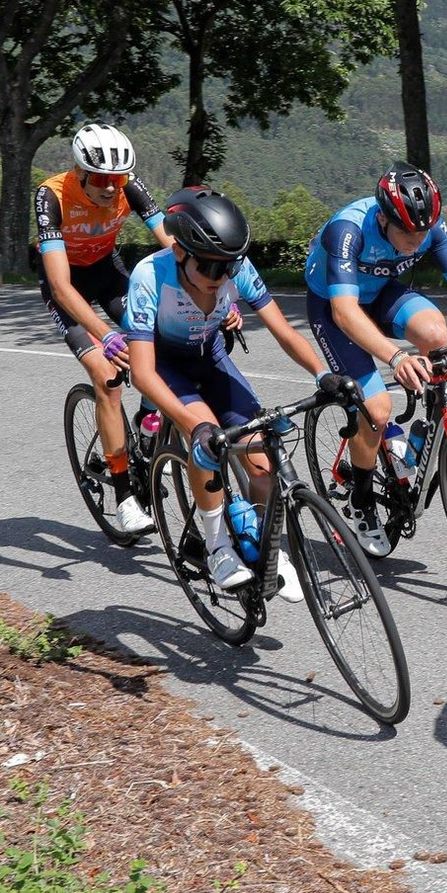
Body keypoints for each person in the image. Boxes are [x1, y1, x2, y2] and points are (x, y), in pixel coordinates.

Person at [123, 186, 351, 599]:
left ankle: (265, 546)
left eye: (228, 268)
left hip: (209, 358)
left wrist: (323, 374)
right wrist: (193, 425)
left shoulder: (233, 268)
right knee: (206, 437)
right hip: (165, 365)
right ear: (180, 253)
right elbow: (141, 372)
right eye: (210, 268)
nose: (221, 279)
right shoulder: (149, 276)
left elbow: (283, 330)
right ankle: (217, 545)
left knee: (261, 458)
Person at [303, 162, 447, 556]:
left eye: (422, 230)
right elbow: (344, 312)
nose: (416, 239)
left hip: (380, 294)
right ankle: (361, 500)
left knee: (436, 334)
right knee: (376, 408)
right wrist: (395, 356)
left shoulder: (430, 229)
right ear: (384, 218)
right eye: (407, 231)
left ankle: (424, 435)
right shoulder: (348, 230)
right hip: (335, 307)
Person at [37, 123, 182, 535]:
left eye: (116, 179)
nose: (109, 188)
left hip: (106, 272)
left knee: (164, 340)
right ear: (80, 172)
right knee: (108, 378)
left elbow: (172, 244)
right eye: (100, 179)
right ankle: (123, 496)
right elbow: (62, 289)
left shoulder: (129, 188)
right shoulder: (52, 196)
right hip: (66, 285)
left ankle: (147, 419)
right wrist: (106, 334)